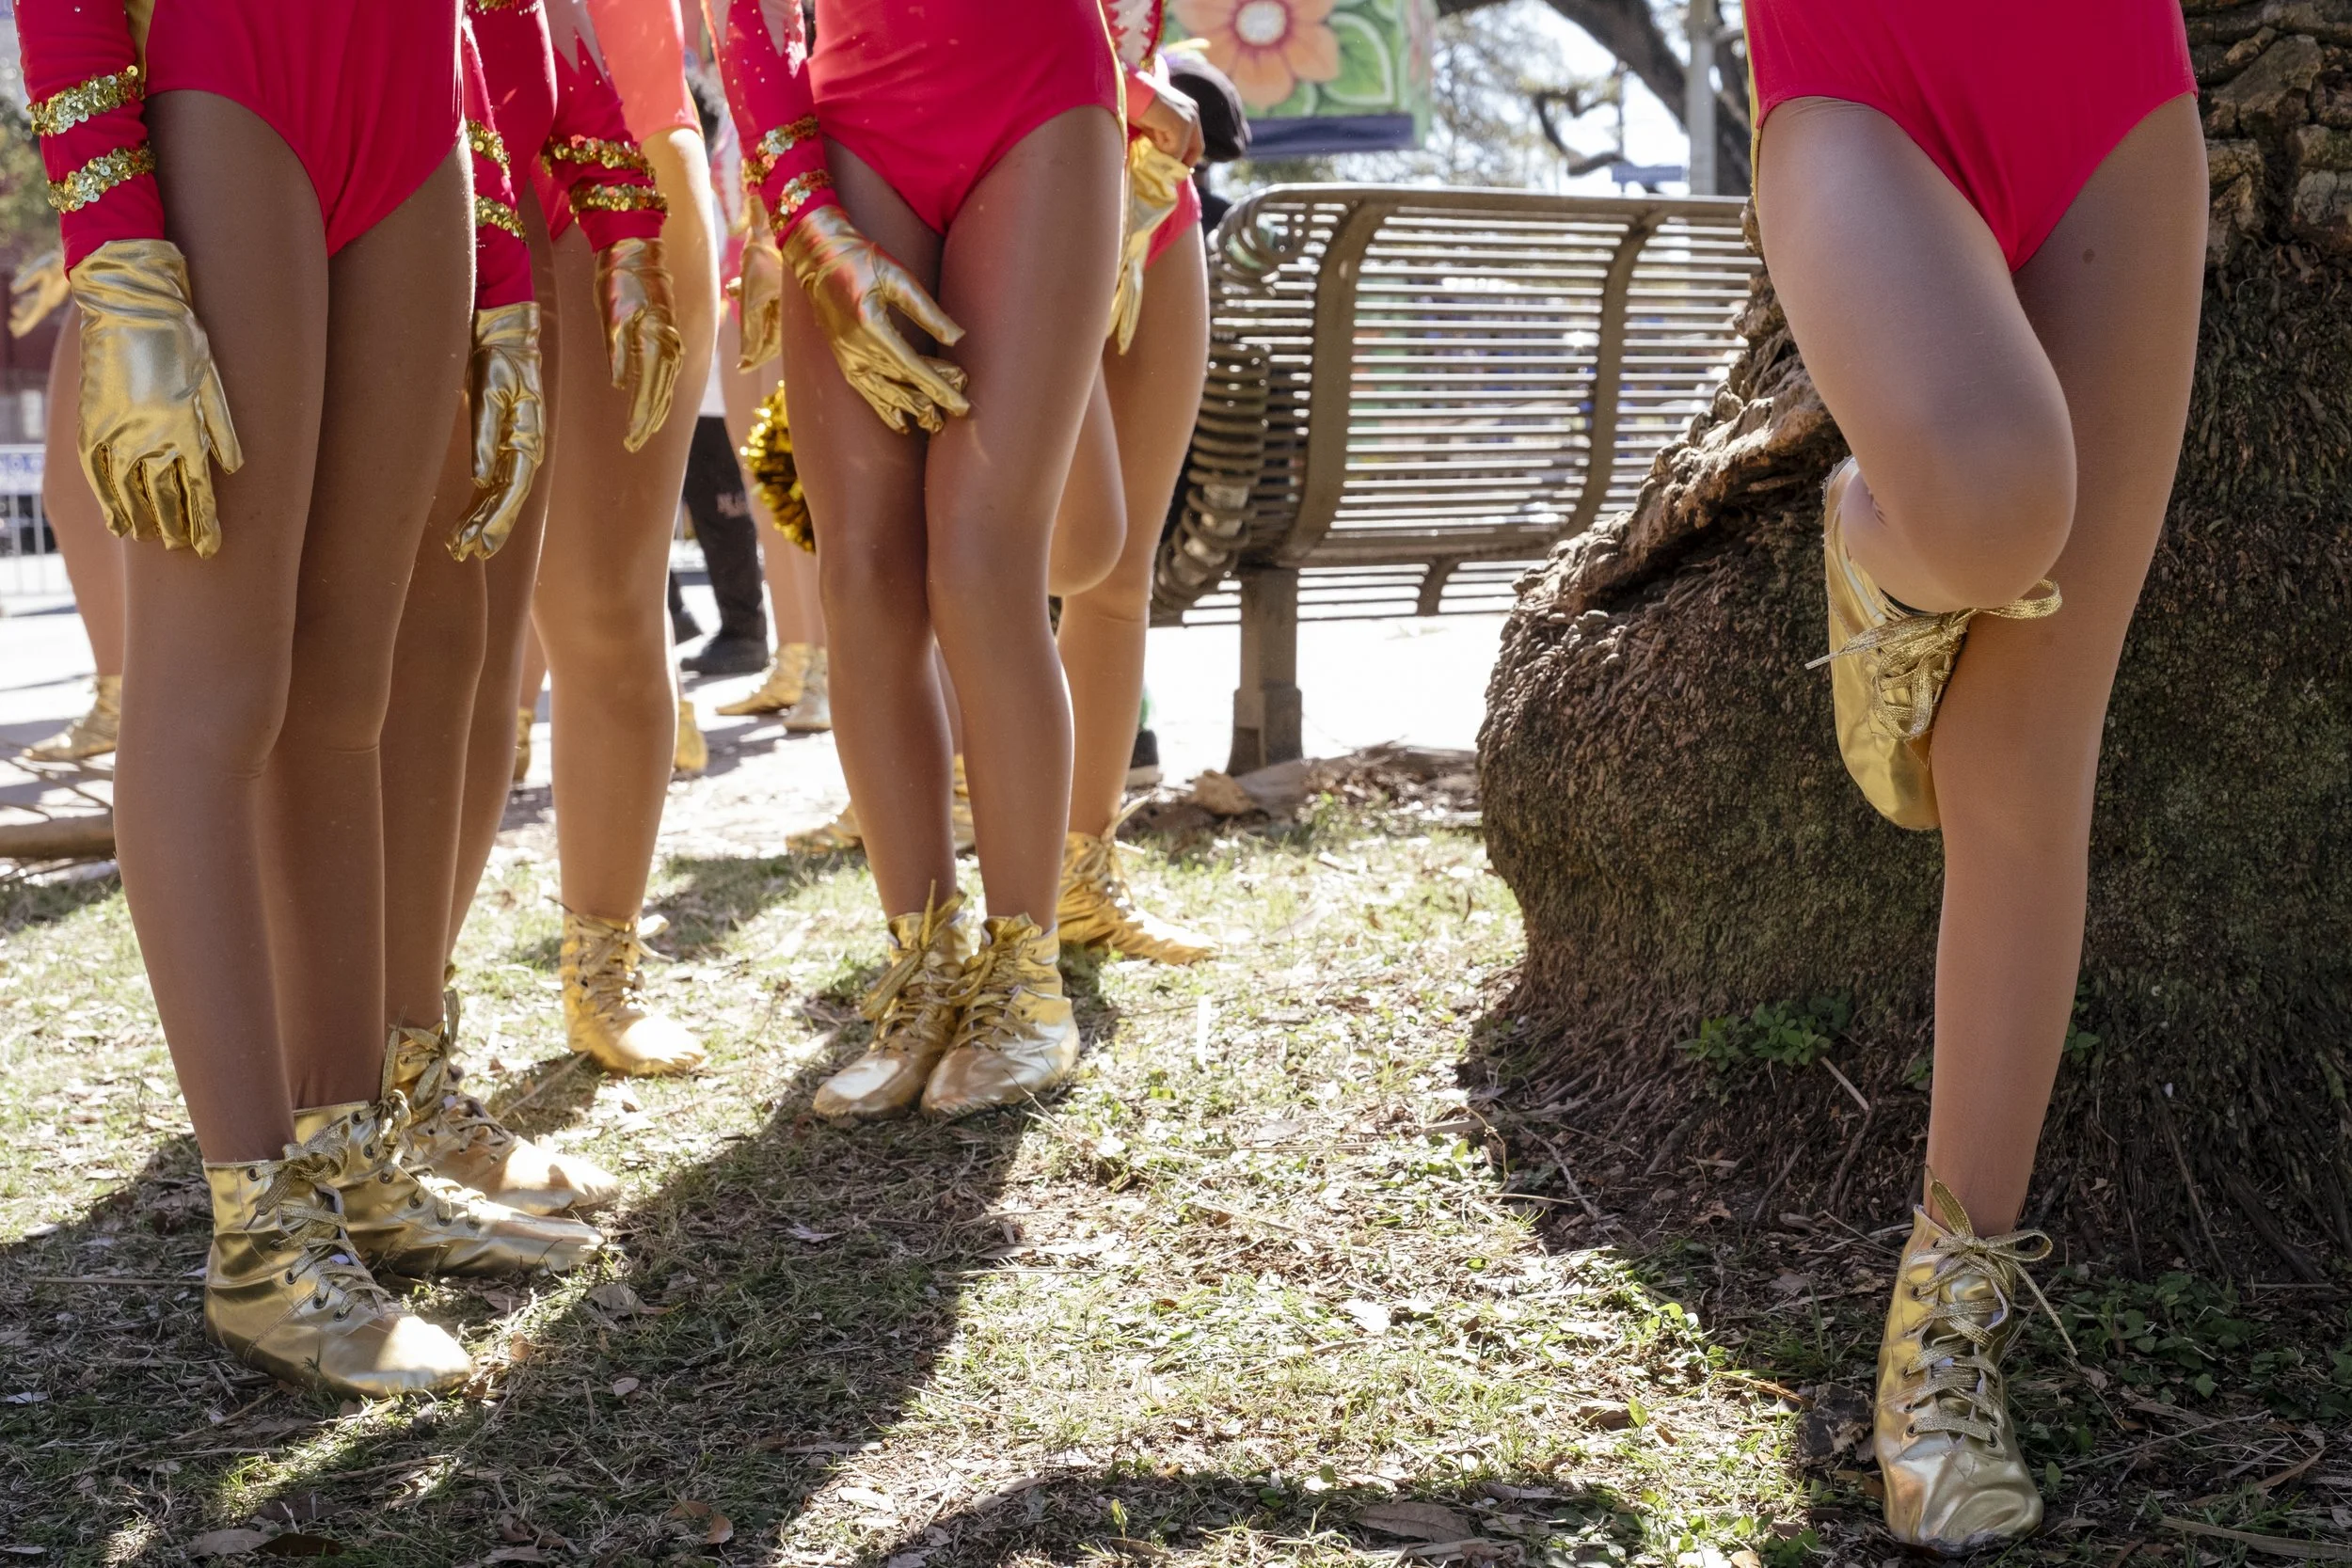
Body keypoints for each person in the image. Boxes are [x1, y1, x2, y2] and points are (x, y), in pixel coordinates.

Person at [21, 0, 604, 1399]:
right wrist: (116, 246)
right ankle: (260, 1237)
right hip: (236, 88)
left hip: (413, 113)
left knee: (354, 671)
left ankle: (349, 1153)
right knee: (215, 686)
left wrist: (504, 262)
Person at [1749, 0, 2203, 1551]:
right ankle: (1883, 537)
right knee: (2000, 499)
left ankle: (1946, 1338)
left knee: (2024, 755)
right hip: (1859, 83)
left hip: (2112, 96)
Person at [711, 0, 1122, 1121]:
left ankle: (1026, 982)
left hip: (1034, 90)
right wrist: (799, 212)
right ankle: (925, 972)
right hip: (848, 125)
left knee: (983, 561)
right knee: (861, 572)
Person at [520, 0, 712, 1075]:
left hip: (629, 156)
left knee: (604, 608)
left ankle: (605, 968)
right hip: (416, 143)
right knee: (407, 628)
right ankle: (385, 1007)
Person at [1046, 0, 1217, 967]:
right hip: (1022, 196)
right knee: (1051, 553)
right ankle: (990, 888)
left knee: (1122, 573)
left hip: (1158, 203)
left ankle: (1085, 871)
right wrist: (1126, 88)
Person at [10, 250, 123, 765]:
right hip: (119, 242)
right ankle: (119, 697)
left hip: (138, 249)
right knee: (73, 491)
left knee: (79, 491)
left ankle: (123, 700)